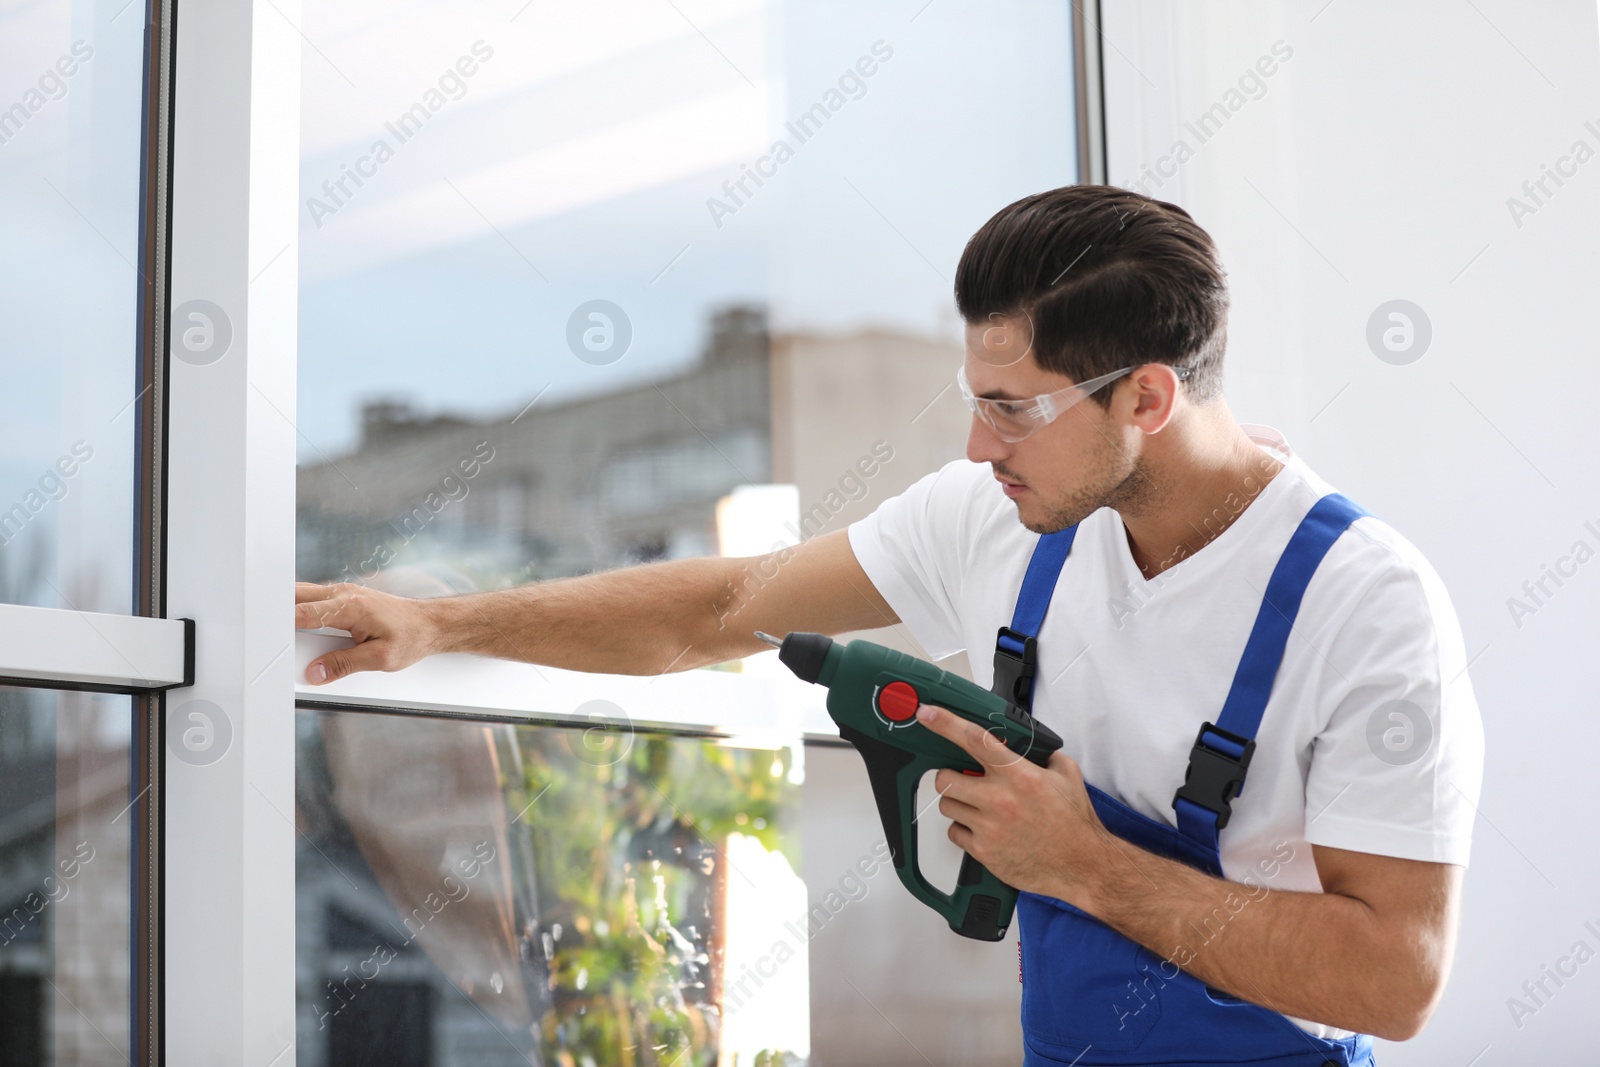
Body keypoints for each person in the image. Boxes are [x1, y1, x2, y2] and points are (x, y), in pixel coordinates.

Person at [296, 185, 1484, 1065]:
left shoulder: (1362, 605)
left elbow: (1395, 978)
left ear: (1148, 396)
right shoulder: (994, 519)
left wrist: (1080, 861)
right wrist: (438, 619)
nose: (979, 447)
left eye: (1012, 409)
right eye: (974, 404)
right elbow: (718, 609)